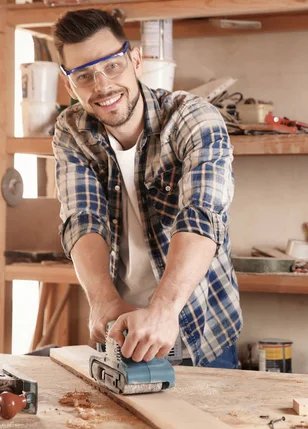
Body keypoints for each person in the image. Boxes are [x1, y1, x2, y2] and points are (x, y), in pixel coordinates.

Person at [50, 9, 242, 368]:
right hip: (120, 327)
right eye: (85, 76)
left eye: (112, 66)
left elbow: (201, 216)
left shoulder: (193, 118)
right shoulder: (71, 130)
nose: (103, 86)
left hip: (202, 331)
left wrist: (164, 309)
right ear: (69, 84)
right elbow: (82, 218)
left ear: (135, 60)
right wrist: (103, 301)